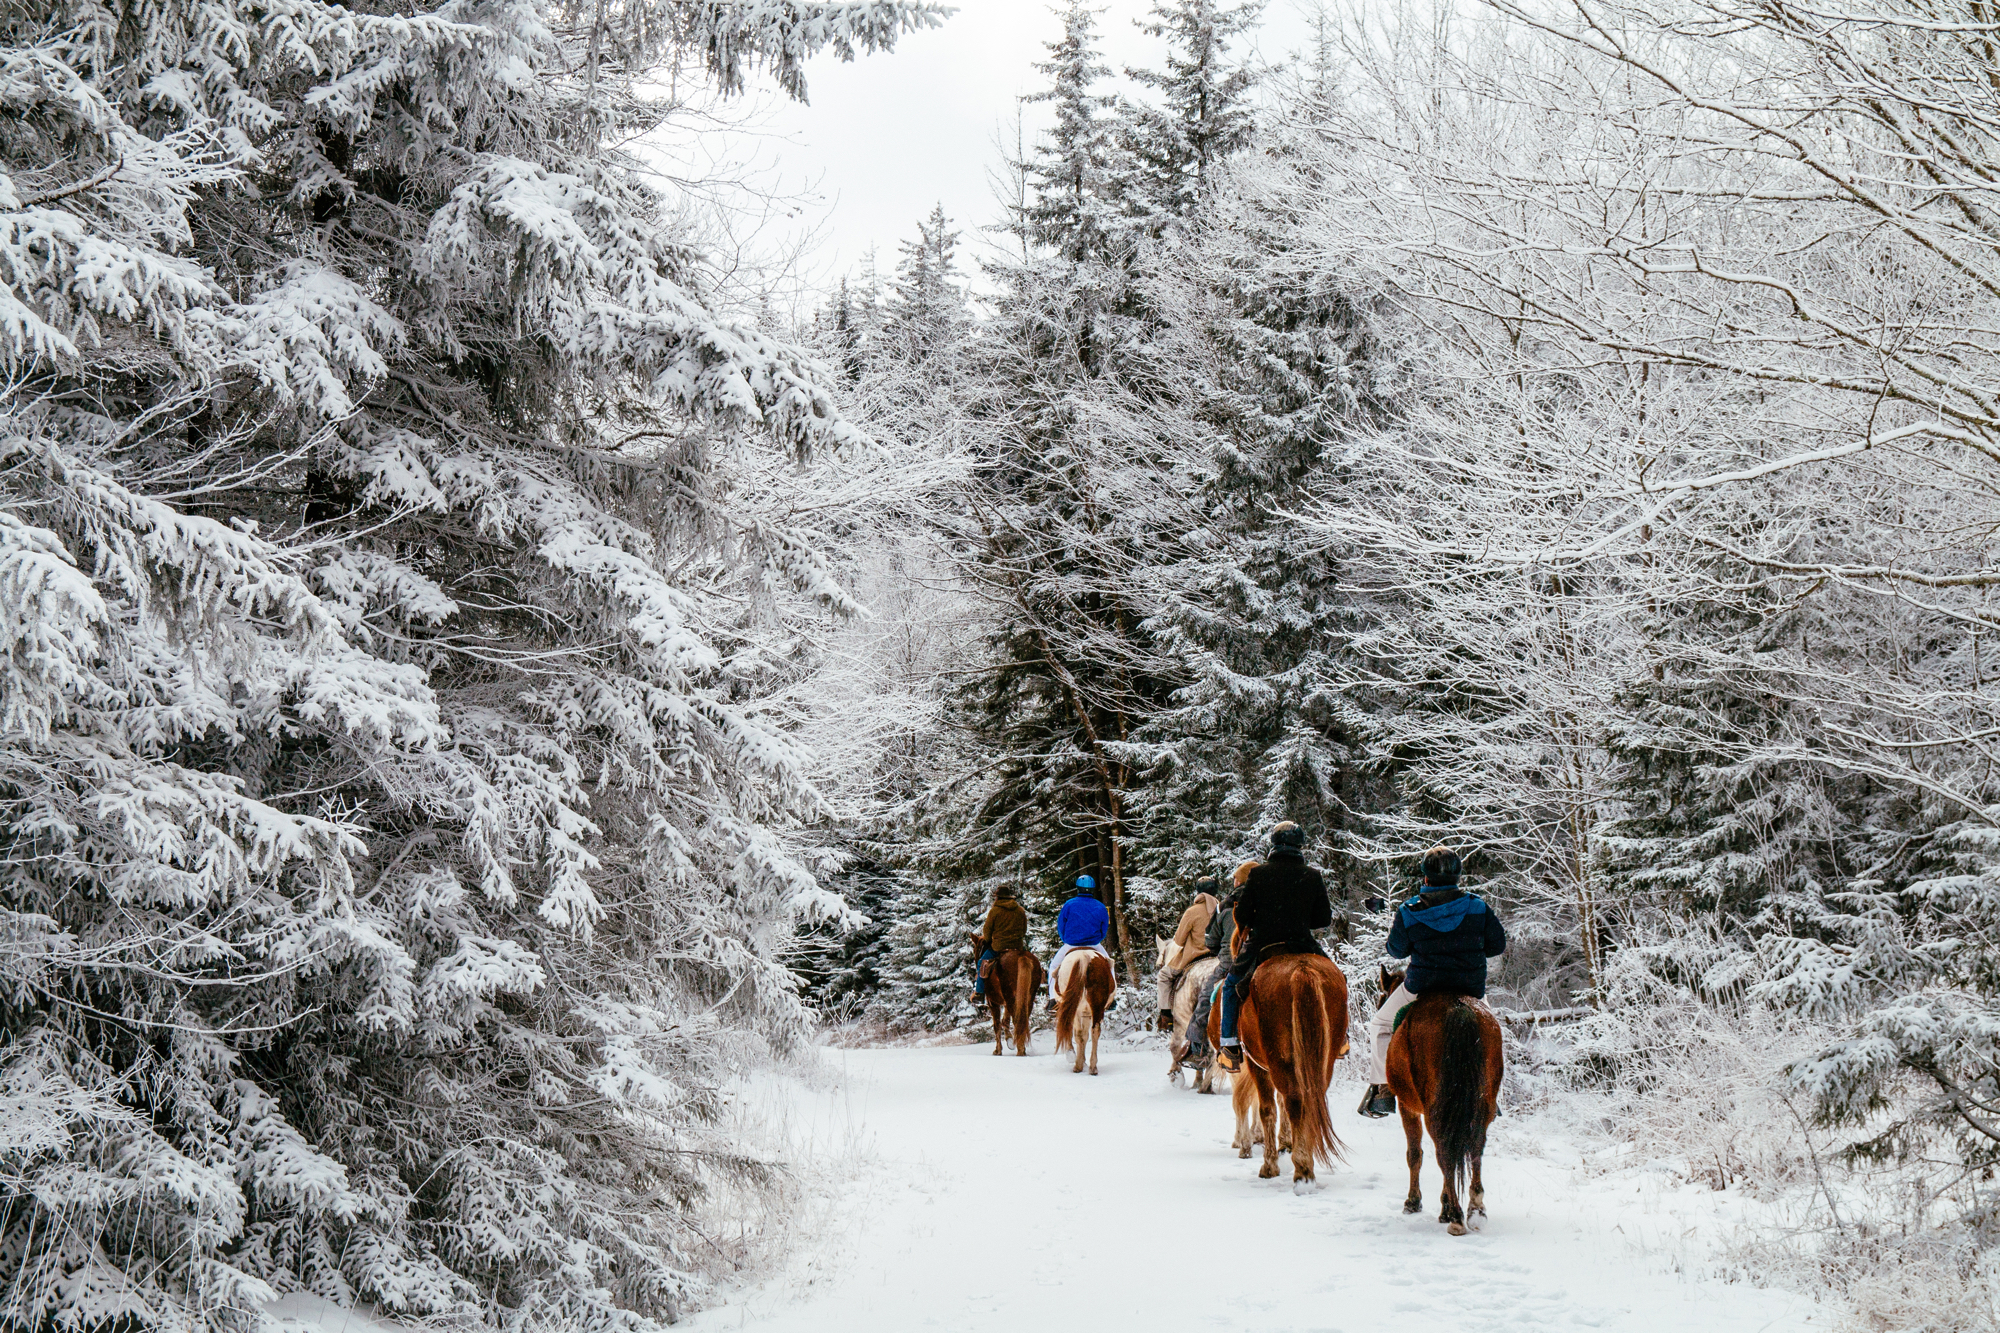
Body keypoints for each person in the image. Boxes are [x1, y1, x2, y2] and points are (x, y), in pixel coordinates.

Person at [1356, 845, 1508, 1118]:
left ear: (1425, 878)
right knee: (1491, 1032)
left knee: (1379, 1025)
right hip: (1470, 988)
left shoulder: (1409, 910)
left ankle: (1384, 1091)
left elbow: (1396, 950)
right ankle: (1489, 1092)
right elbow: (1497, 946)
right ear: (1458, 877)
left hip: (1422, 988)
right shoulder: (1478, 907)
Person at [1216, 825, 1332, 1073]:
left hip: (1262, 944)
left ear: (1274, 844)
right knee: (1336, 978)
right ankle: (1341, 1038)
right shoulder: (1312, 875)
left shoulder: (1258, 875)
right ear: (1299, 846)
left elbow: (1244, 915)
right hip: (1302, 943)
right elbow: (1323, 920)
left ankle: (1229, 1046)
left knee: (1229, 985)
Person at [1186, 859, 1256, 1059]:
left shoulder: (1225, 904)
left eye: (1235, 879)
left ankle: (1197, 1045)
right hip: (1260, 958)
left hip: (1230, 961)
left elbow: (1211, 939)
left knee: (1206, 997)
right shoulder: (1268, 900)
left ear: (1240, 881)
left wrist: (1221, 952)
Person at [1156, 876, 1221, 1029]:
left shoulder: (1192, 912)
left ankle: (1166, 1018)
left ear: (1198, 891)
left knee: (1164, 976)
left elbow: (1178, 941)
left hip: (1195, 958)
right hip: (1219, 958)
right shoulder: (1223, 910)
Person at [1048, 875, 1112, 1007]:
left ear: (1078, 888)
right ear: (1093, 889)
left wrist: (1066, 939)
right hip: (1094, 945)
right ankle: (1111, 998)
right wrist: (1096, 939)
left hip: (1071, 944)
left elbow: (1061, 926)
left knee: (1053, 967)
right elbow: (1104, 929)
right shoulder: (1101, 907)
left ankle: (1052, 999)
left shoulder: (1069, 904)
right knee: (1109, 966)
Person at [970, 885, 1029, 1003]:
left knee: (982, 962)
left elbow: (987, 931)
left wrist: (988, 940)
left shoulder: (995, 911)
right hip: (1017, 946)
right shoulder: (1020, 910)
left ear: (998, 898)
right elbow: (1024, 930)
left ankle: (979, 993)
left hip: (999, 947)